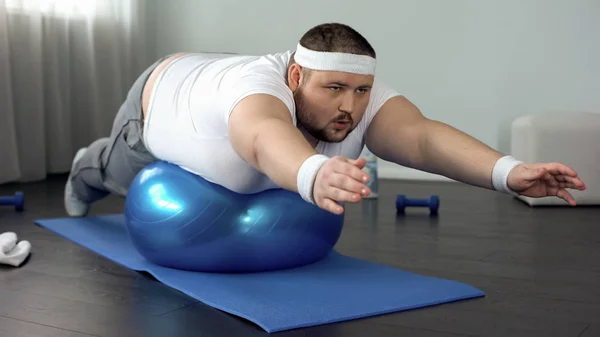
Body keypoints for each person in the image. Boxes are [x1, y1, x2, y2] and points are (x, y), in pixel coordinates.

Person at [64, 22, 586, 217]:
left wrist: (510, 172)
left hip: (208, 98)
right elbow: (264, 137)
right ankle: (81, 169)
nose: (350, 107)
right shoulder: (256, 91)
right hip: (160, 100)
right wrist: (313, 174)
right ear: (294, 78)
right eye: (334, 89)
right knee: (112, 176)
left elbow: (423, 140)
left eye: (360, 91)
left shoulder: (359, 99)